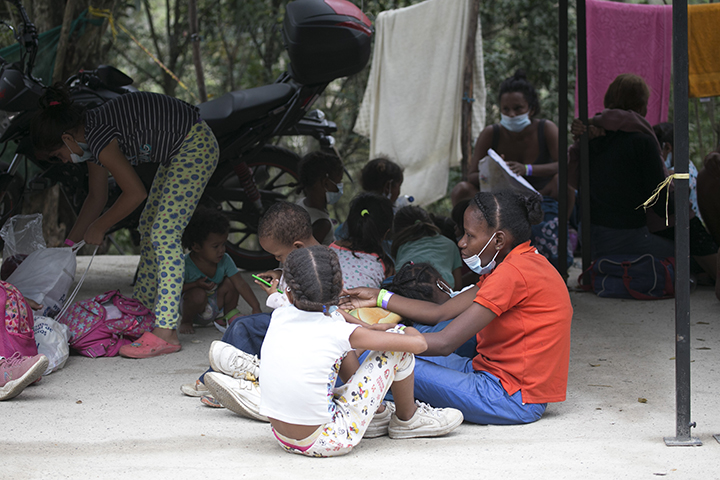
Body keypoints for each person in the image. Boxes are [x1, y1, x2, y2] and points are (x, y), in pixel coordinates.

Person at [203, 245, 463, 457]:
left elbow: (314, 307)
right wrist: (405, 331)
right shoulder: (338, 331)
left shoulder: (282, 311)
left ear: (291, 293)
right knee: (398, 347)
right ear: (339, 289)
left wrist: (366, 328)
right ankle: (408, 419)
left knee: (333, 343)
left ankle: (378, 416)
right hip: (327, 439)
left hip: (282, 438)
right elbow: (418, 345)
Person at [342, 191, 573, 425]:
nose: (461, 242)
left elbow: (445, 344)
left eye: (470, 235)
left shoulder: (512, 274)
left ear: (499, 240)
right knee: (396, 354)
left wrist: (371, 337)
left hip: (508, 396)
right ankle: (380, 402)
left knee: (385, 359)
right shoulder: (520, 263)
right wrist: (379, 297)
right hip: (487, 373)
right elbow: (441, 312)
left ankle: (380, 411)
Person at [31, 86, 218, 358]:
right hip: (179, 151)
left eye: (59, 155)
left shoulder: (98, 135)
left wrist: (100, 226)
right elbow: (96, 196)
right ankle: (142, 309)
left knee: (164, 233)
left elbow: (135, 192)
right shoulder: (91, 135)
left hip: (195, 144)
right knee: (149, 225)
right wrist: (69, 246)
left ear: (67, 138)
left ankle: (166, 331)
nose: (64, 160)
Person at [180, 201, 319, 402]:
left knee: (243, 326)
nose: (278, 259)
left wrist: (274, 296)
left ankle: (225, 384)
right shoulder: (311, 256)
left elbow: (306, 309)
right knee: (240, 324)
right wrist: (280, 273)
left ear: (297, 246)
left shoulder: (315, 267)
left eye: (279, 256)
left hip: (299, 327)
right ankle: (217, 377)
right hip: (289, 321)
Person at [451, 69, 573, 268]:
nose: (511, 114)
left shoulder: (546, 129)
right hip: (500, 202)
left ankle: (563, 232)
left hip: (541, 195)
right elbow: (471, 175)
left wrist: (528, 169)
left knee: (564, 184)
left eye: (518, 108)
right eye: (505, 109)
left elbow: (566, 164)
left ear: (531, 109)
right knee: (462, 189)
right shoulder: (492, 133)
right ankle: (464, 248)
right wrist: (491, 170)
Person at [568, 74, 676, 261]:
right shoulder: (642, 142)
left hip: (590, 237)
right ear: (642, 106)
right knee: (686, 253)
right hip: (626, 237)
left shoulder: (593, 139)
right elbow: (661, 203)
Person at [179, 207, 261, 334]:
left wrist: (256, 307)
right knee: (198, 294)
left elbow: (240, 284)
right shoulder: (185, 264)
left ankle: (228, 316)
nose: (221, 250)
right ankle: (186, 321)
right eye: (215, 246)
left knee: (231, 282)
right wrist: (195, 285)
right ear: (196, 246)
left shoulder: (225, 260)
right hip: (193, 308)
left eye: (223, 244)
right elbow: (175, 291)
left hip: (215, 303)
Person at [329, 193, 394, 289]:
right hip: (361, 304)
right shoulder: (386, 267)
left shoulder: (330, 250)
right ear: (386, 233)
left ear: (348, 225)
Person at [392, 206, 463, 290]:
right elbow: (458, 286)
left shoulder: (402, 246)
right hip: (442, 289)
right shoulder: (449, 244)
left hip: (406, 289)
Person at [295, 151, 344, 245]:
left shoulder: (300, 203)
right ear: (325, 183)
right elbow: (303, 257)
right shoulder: (322, 224)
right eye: (338, 183)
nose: (339, 188)